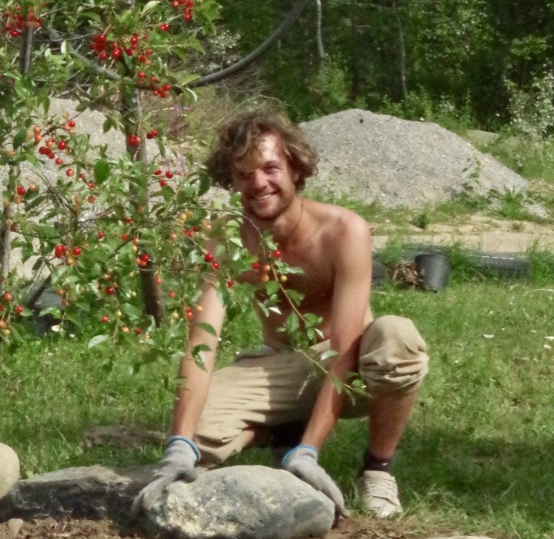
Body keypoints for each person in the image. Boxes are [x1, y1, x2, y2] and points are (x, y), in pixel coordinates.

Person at [134, 111, 428, 518]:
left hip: (358, 367)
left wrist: (310, 453)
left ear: (295, 169)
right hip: (284, 366)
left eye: (270, 167)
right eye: (243, 173)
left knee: (397, 338)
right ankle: (282, 429)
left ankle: (377, 470)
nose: (258, 183)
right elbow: (202, 339)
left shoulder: (344, 231)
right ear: (230, 180)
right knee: (197, 432)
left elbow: (342, 349)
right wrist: (178, 446)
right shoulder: (226, 237)